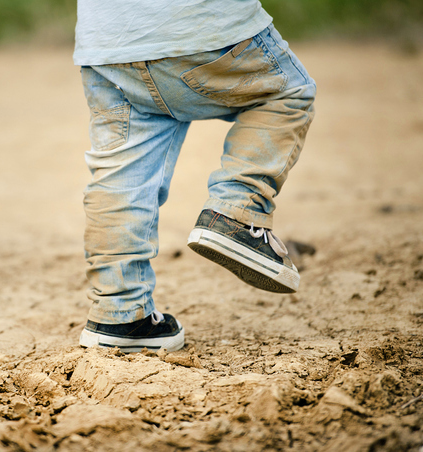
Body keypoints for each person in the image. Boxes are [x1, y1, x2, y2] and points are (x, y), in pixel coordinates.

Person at [74, 1, 316, 353]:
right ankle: (237, 211)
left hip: (106, 42)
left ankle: (120, 312)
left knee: (121, 166)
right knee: (287, 92)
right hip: (200, 25)